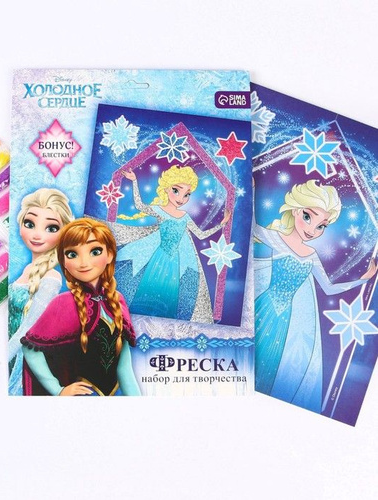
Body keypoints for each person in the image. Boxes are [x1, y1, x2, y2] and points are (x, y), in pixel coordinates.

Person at [253, 179, 377, 412]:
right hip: (264, 307)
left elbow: (329, 288)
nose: (312, 230)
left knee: (272, 366)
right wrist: (251, 190)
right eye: (308, 217)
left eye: (321, 226)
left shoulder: (311, 254)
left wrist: (363, 279)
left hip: (287, 318)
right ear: (295, 210)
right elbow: (251, 224)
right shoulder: (275, 237)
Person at [21, 218, 141, 396]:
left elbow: (124, 366)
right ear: (64, 261)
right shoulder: (63, 303)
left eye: (95, 251)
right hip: (80, 398)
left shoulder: (117, 300)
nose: (83, 262)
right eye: (72, 254)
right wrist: (58, 390)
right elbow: (30, 347)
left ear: (109, 255)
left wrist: (138, 402)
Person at [116, 165, 230, 323]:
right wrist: (135, 181)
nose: (181, 198)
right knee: (149, 289)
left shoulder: (185, 216)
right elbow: (140, 205)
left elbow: (200, 234)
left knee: (169, 296)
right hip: (159, 257)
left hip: (175, 262)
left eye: (187, 194)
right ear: (166, 188)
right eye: (176, 190)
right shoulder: (159, 210)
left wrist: (221, 224)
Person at [7, 188, 74, 395]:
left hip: (20, 358)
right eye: (30, 224)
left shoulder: (51, 278)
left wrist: (2, 355)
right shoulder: (27, 269)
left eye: (51, 228)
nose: (37, 234)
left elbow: (29, 329)